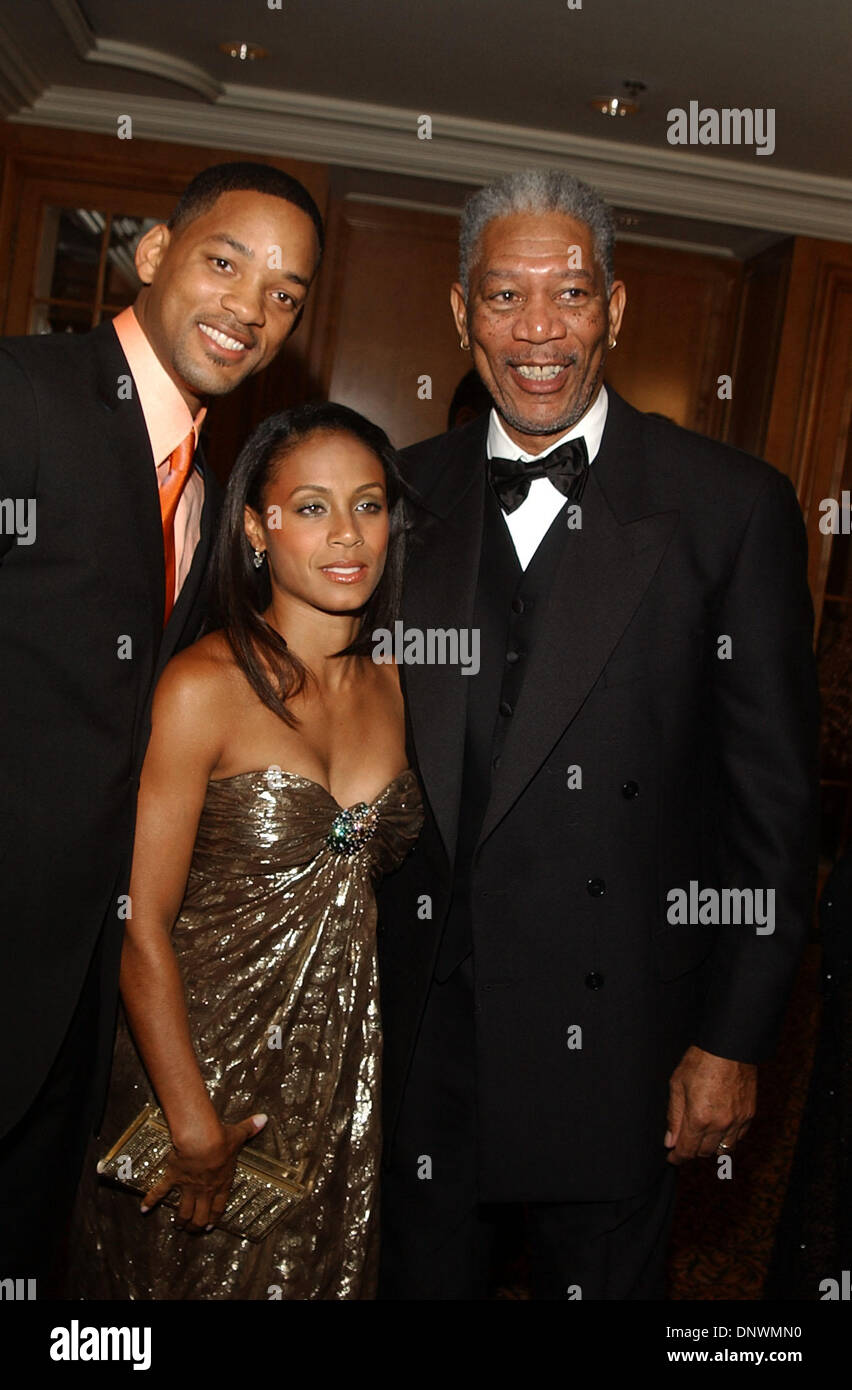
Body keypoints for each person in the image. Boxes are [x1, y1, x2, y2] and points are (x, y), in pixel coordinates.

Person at [376, 169, 820, 1300]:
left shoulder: (729, 506)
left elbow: (775, 813)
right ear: (460, 312)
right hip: (427, 1042)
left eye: (570, 294)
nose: (538, 332)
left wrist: (731, 1040)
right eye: (504, 297)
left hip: (619, 1041)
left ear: (615, 310)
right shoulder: (392, 500)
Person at [0, 161, 324, 1289]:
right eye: (226, 262)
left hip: (75, 1004)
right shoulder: (24, 394)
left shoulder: (207, 483)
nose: (251, 307)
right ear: (152, 254)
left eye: (285, 294)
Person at [69, 402, 422, 1300]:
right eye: (311, 507)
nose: (347, 535)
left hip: (341, 1075)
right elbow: (138, 922)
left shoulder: (402, 687)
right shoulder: (203, 687)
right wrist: (191, 1121)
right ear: (260, 528)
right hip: (190, 1062)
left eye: (369, 505)